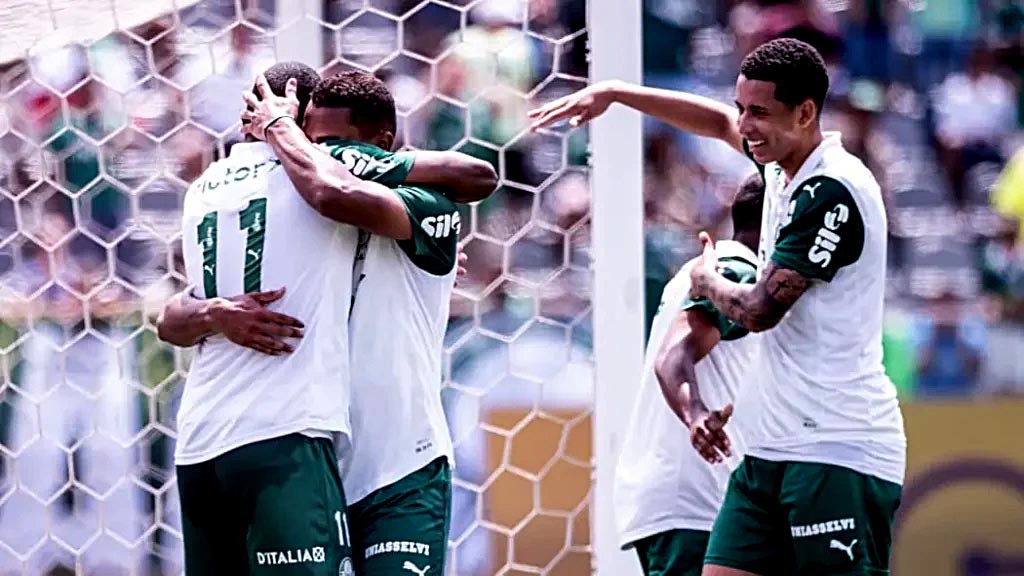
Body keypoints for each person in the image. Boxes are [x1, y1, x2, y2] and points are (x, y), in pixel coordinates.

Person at [529, 38, 905, 576]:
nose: (745, 126)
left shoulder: (831, 189)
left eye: (759, 113)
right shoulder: (781, 168)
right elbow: (713, 122)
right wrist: (617, 93)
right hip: (768, 449)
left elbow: (760, 311)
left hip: (835, 444)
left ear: (805, 113)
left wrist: (705, 281)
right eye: (742, 108)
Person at [156, 62, 493, 575]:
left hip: (398, 466)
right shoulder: (295, 200)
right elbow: (172, 315)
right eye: (312, 141)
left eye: (333, 144)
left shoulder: (417, 205)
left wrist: (284, 132)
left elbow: (474, 176)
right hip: (317, 455)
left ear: (381, 146)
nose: (316, 152)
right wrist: (215, 313)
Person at [615, 174, 764, 576]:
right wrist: (695, 412)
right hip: (698, 499)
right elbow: (674, 354)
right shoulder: (738, 273)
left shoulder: (705, 270)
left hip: (687, 497)